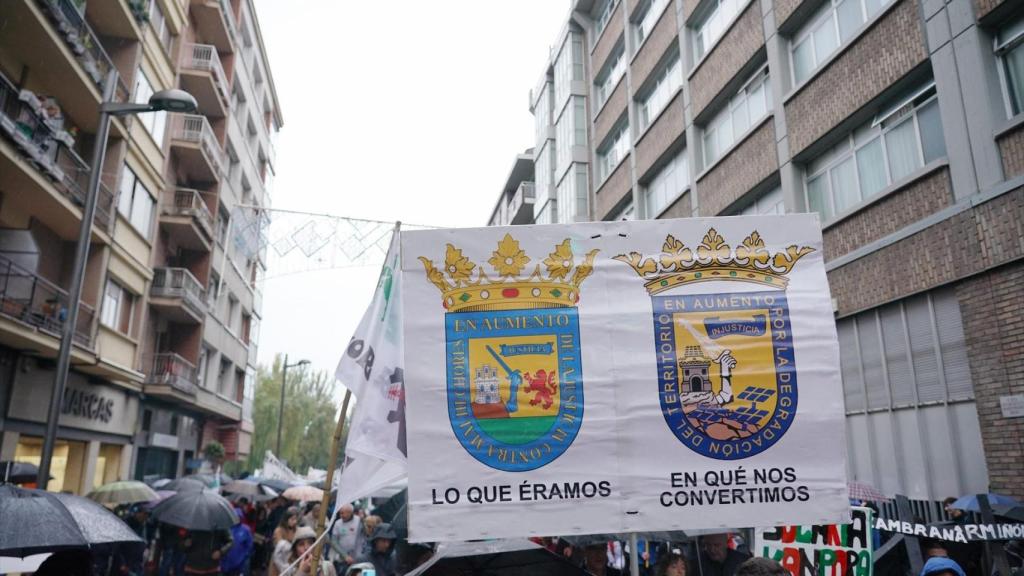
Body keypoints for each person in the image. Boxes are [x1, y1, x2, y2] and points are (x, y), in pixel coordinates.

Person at [328, 504, 363, 575]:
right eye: (340, 513)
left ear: (350, 512)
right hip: (342, 559)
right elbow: (334, 542)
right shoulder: (338, 523)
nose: (341, 515)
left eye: (343, 513)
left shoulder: (359, 520)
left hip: (357, 558)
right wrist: (345, 556)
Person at [222, 509, 255, 576]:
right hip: (224, 564)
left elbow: (249, 546)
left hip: (238, 565)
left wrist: (243, 556)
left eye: (238, 517)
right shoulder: (226, 528)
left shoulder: (246, 529)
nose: (236, 518)